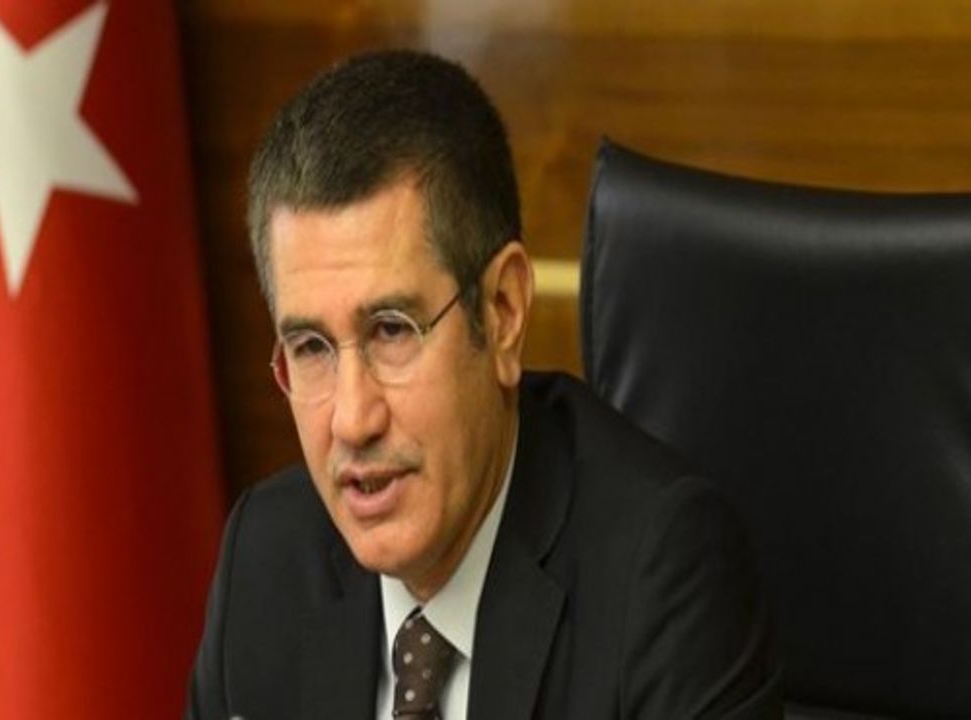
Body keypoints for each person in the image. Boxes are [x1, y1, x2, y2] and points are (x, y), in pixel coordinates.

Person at [187, 49, 782, 719]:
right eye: (310, 348)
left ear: (502, 313)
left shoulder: (662, 576)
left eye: (392, 330)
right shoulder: (265, 561)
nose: (352, 420)